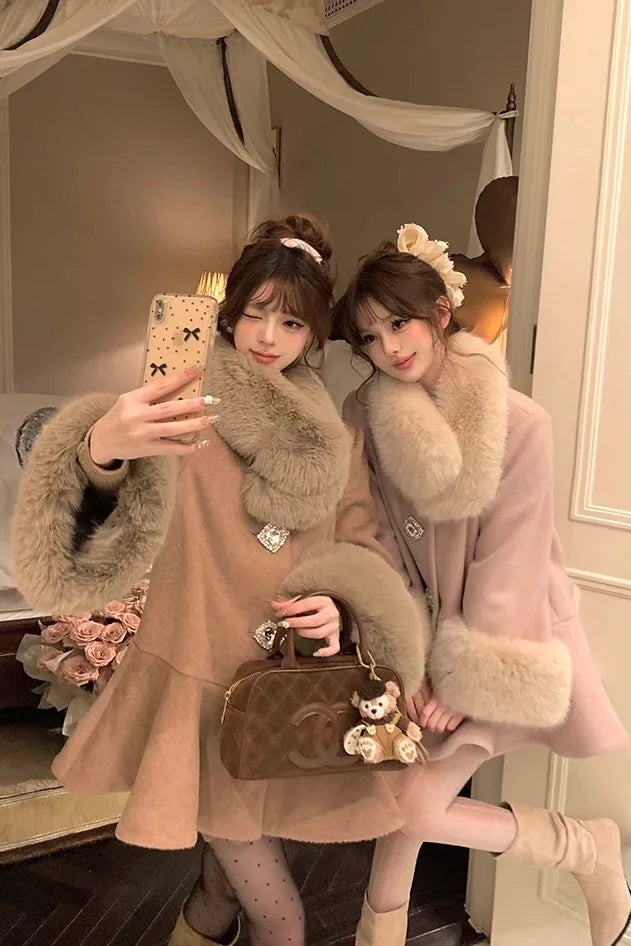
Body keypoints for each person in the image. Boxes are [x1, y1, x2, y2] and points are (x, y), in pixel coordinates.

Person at [11, 216, 427, 946]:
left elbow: (359, 544)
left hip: (286, 692)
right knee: (283, 919)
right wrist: (100, 447)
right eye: (254, 313)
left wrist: (341, 606)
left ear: (314, 333)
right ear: (228, 313)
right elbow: (99, 533)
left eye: (291, 322)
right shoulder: (178, 408)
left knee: (219, 892)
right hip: (200, 685)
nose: (268, 336)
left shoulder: (334, 437)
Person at [332, 223, 630, 946]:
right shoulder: (366, 414)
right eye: (369, 337)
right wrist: (406, 656)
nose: (388, 347)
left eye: (398, 323)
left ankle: (585, 849)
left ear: (439, 311)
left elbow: (511, 563)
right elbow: (373, 538)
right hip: (419, 641)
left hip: (502, 641)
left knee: (409, 806)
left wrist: (456, 682)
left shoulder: (519, 424)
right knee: (400, 803)